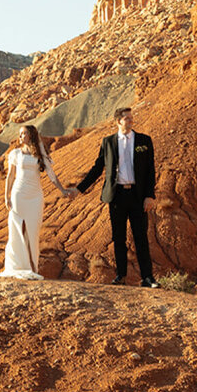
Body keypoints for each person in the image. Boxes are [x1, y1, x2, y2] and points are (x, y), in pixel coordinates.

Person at [76, 106, 158, 287]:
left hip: (138, 196)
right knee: (118, 237)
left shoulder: (144, 140)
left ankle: (148, 278)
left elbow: (150, 171)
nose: (131, 121)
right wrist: (79, 189)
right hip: (117, 196)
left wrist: (149, 195)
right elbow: (98, 168)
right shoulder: (108, 142)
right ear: (118, 122)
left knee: (141, 237)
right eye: (127, 118)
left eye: (131, 118)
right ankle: (121, 276)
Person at [0, 124, 74, 280]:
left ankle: (31, 267)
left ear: (31, 136)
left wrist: (63, 190)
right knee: (18, 228)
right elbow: (10, 176)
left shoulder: (39, 154)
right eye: (20, 134)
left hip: (35, 196)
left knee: (32, 231)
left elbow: (51, 175)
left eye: (24, 133)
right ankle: (18, 265)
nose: (21, 137)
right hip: (19, 194)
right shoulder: (15, 153)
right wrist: (7, 197)